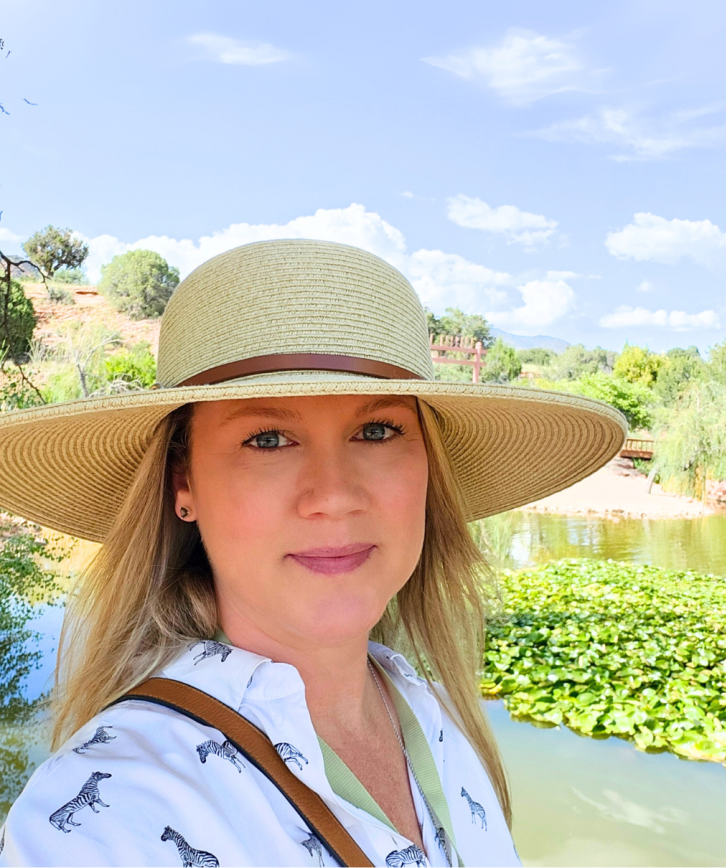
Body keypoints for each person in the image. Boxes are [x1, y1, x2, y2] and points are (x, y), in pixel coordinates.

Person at [0, 240, 625, 867]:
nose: (333, 496)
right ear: (182, 484)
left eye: (377, 431)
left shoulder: (433, 712)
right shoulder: (102, 827)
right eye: (268, 439)